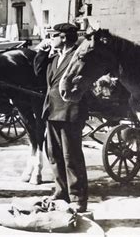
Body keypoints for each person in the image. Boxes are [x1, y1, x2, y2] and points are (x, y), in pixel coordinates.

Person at [41, 23, 88, 212]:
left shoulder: (77, 57)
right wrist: (41, 53)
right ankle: (62, 192)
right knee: (54, 154)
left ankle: (78, 197)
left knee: (71, 156)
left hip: (70, 111)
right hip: (52, 110)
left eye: (53, 36)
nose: (50, 39)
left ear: (63, 38)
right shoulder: (55, 58)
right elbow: (40, 74)